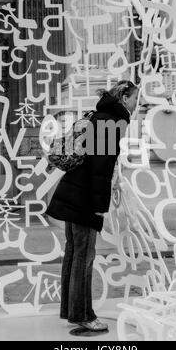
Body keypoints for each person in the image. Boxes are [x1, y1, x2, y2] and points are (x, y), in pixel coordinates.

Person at [45, 81, 140, 332]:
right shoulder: (110, 122)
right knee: (83, 258)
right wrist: (100, 207)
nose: (136, 104)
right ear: (124, 97)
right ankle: (83, 315)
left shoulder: (100, 117)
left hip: (74, 193)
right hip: (84, 199)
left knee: (74, 254)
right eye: (134, 99)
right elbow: (101, 169)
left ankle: (72, 310)